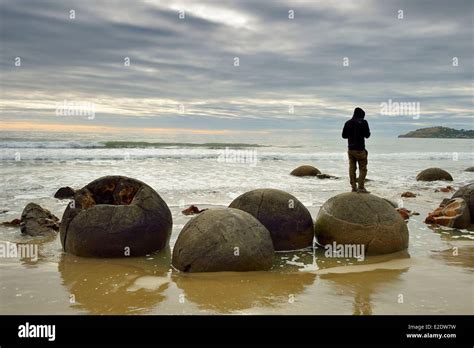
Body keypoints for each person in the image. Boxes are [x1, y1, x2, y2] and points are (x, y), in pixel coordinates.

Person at [342, 107, 371, 193]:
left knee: (352, 168)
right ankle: (361, 187)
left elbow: (344, 136)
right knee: (363, 168)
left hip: (350, 150)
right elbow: (367, 135)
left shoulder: (347, 123)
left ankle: (353, 187)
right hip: (360, 149)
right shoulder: (363, 122)